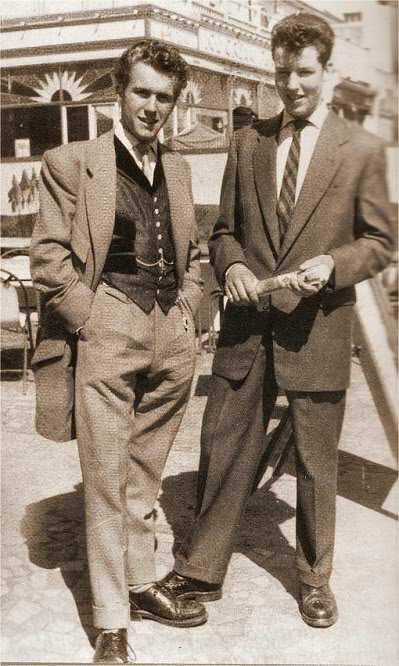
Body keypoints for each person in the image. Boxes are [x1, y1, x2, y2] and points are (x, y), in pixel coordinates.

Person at [161, 13, 394, 629]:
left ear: (329, 71)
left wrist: (334, 263)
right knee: (224, 446)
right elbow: (225, 231)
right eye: (283, 72)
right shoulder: (248, 140)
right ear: (274, 68)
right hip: (247, 330)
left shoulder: (362, 149)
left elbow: (380, 241)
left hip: (317, 330)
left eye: (305, 72)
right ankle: (201, 565)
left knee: (317, 464)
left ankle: (315, 579)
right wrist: (232, 267)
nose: (293, 84)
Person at [30, 39, 207, 664]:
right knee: (105, 480)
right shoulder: (73, 161)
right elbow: (48, 256)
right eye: (141, 92)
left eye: (164, 97)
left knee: (143, 476)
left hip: (172, 337)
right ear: (117, 93)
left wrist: (190, 306)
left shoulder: (180, 166)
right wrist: (93, 319)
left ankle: (140, 582)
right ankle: (110, 620)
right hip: (109, 329)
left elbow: (196, 250)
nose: (152, 107)